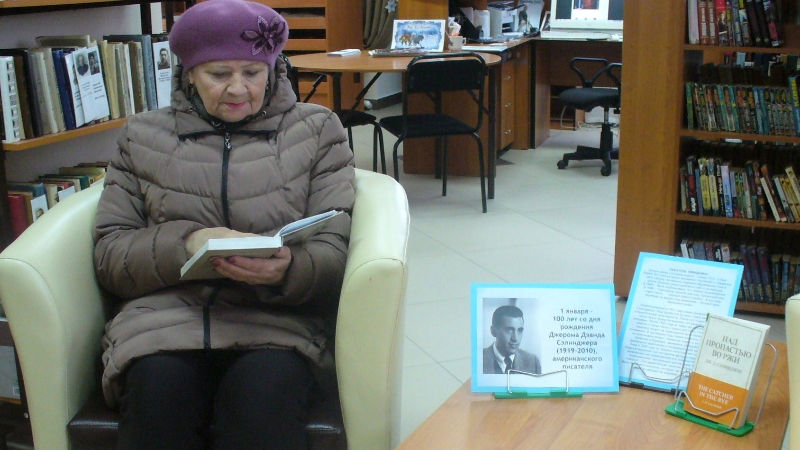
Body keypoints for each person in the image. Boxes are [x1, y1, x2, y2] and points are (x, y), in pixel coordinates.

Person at [91, 0, 355, 448]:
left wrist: (288, 269)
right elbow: (110, 255)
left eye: (252, 73)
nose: (237, 88)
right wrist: (186, 243)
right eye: (219, 74)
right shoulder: (142, 136)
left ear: (272, 70)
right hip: (163, 325)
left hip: (276, 326)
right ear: (189, 73)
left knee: (260, 411)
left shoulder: (316, 130)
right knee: (157, 405)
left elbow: (335, 248)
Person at [483, 305, 541, 375]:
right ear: (493, 331)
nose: (515, 338)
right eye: (509, 330)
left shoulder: (533, 362)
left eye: (520, 330)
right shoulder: (479, 359)